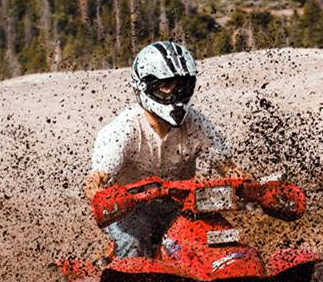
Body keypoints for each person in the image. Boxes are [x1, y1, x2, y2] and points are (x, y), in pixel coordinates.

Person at [84, 41, 236, 258]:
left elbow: (229, 168)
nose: (176, 95)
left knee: (221, 236)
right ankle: (124, 277)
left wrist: (257, 189)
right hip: (129, 211)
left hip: (181, 206)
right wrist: (102, 197)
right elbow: (95, 180)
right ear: (145, 87)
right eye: (167, 86)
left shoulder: (197, 124)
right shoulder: (123, 129)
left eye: (182, 86)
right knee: (133, 242)